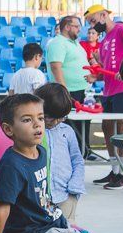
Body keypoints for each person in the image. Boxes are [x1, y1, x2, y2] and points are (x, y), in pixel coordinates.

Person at [0, 94, 90, 233]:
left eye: (41, 118)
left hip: (51, 220)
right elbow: (3, 208)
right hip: (31, 230)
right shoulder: (11, 164)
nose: (37, 124)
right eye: (27, 120)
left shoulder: (41, 152)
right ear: (9, 129)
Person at [84, 5, 123, 190]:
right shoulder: (105, 39)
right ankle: (115, 171)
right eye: (89, 23)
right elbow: (107, 68)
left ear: (104, 15)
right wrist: (96, 75)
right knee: (107, 125)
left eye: (93, 20)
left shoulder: (122, 28)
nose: (92, 25)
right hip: (109, 90)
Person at [34, 83, 85, 222]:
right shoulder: (33, 132)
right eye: (50, 116)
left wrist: (74, 187)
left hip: (65, 196)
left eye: (61, 117)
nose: (56, 122)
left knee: (67, 232)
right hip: (39, 199)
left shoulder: (67, 131)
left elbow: (77, 160)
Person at [45, 15, 92, 155]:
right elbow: (55, 66)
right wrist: (64, 90)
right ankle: (68, 154)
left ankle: (83, 151)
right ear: (67, 27)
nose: (80, 30)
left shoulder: (75, 43)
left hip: (80, 90)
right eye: (77, 26)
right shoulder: (58, 43)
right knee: (67, 126)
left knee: (82, 124)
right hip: (67, 92)